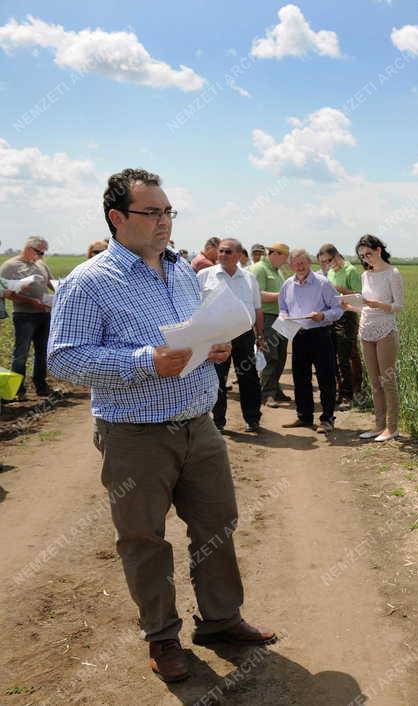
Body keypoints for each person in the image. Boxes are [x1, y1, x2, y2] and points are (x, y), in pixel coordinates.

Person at [47, 168, 276, 684]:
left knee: (217, 525)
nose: (163, 222)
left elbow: (191, 334)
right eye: (151, 212)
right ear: (116, 218)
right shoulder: (90, 281)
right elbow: (62, 360)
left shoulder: (181, 271)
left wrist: (212, 348)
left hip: (199, 425)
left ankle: (220, 620)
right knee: (143, 539)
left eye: (168, 211)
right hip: (135, 434)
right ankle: (163, 637)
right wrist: (145, 362)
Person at [197, 238, 264, 433]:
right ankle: (218, 422)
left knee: (249, 377)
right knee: (216, 379)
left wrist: (260, 336)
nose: (223, 255)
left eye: (228, 252)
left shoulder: (249, 278)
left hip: (244, 336)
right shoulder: (204, 276)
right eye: (221, 251)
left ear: (238, 255)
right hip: (215, 337)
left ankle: (252, 419)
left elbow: (258, 309)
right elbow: (194, 306)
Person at [279, 249, 341, 433]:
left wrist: (323, 315)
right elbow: (283, 307)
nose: (300, 266)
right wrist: (284, 317)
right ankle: (304, 417)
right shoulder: (287, 285)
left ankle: (327, 419)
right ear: (291, 266)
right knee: (301, 379)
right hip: (298, 335)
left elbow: (338, 309)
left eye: (303, 262)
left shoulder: (323, 283)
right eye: (296, 263)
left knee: (325, 378)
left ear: (309, 262)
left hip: (321, 334)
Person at [347, 235, 402, 442]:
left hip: (385, 330)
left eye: (368, 254)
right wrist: (349, 306)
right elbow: (365, 306)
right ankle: (379, 426)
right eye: (362, 256)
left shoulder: (393, 273)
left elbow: (398, 306)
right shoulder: (365, 276)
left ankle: (392, 428)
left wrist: (376, 304)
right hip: (366, 330)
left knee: (387, 380)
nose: (366, 258)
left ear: (379, 250)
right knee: (374, 382)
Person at [0, 236, 56, 400]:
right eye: (39, 252)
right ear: (29, 248)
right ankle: (18, 390)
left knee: (42, 352)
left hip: (44, 314)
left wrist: (64, 288)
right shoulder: (10, 266)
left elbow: (51, 284)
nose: (41, 256)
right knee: (21, 353)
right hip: (24, 315)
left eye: (43, 253)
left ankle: (41, 386)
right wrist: (31, 301)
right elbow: (6, 293)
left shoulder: (41, 264)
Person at [318, 243, 363, 410]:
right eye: (324, 262)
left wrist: (342, 290)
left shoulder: (350, 271)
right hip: (333, 316)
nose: (329, 264)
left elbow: (360, 297)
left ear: (337, 255)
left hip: (348, 316)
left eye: (330, 260)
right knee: (334, 355)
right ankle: (339, 391)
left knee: (344, 356)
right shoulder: (330, 272)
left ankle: (348, 395)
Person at [250, 243, 291, 406]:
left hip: (280, 318)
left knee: (281, 356)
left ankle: (275, 388)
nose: (285, 262)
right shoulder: (259, 269)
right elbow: (257, 295)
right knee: (269, 355)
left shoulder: (277, 271)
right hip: (266, 318)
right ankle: (267, 393)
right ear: (276, 254)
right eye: (285, 258)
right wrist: (283, 295)